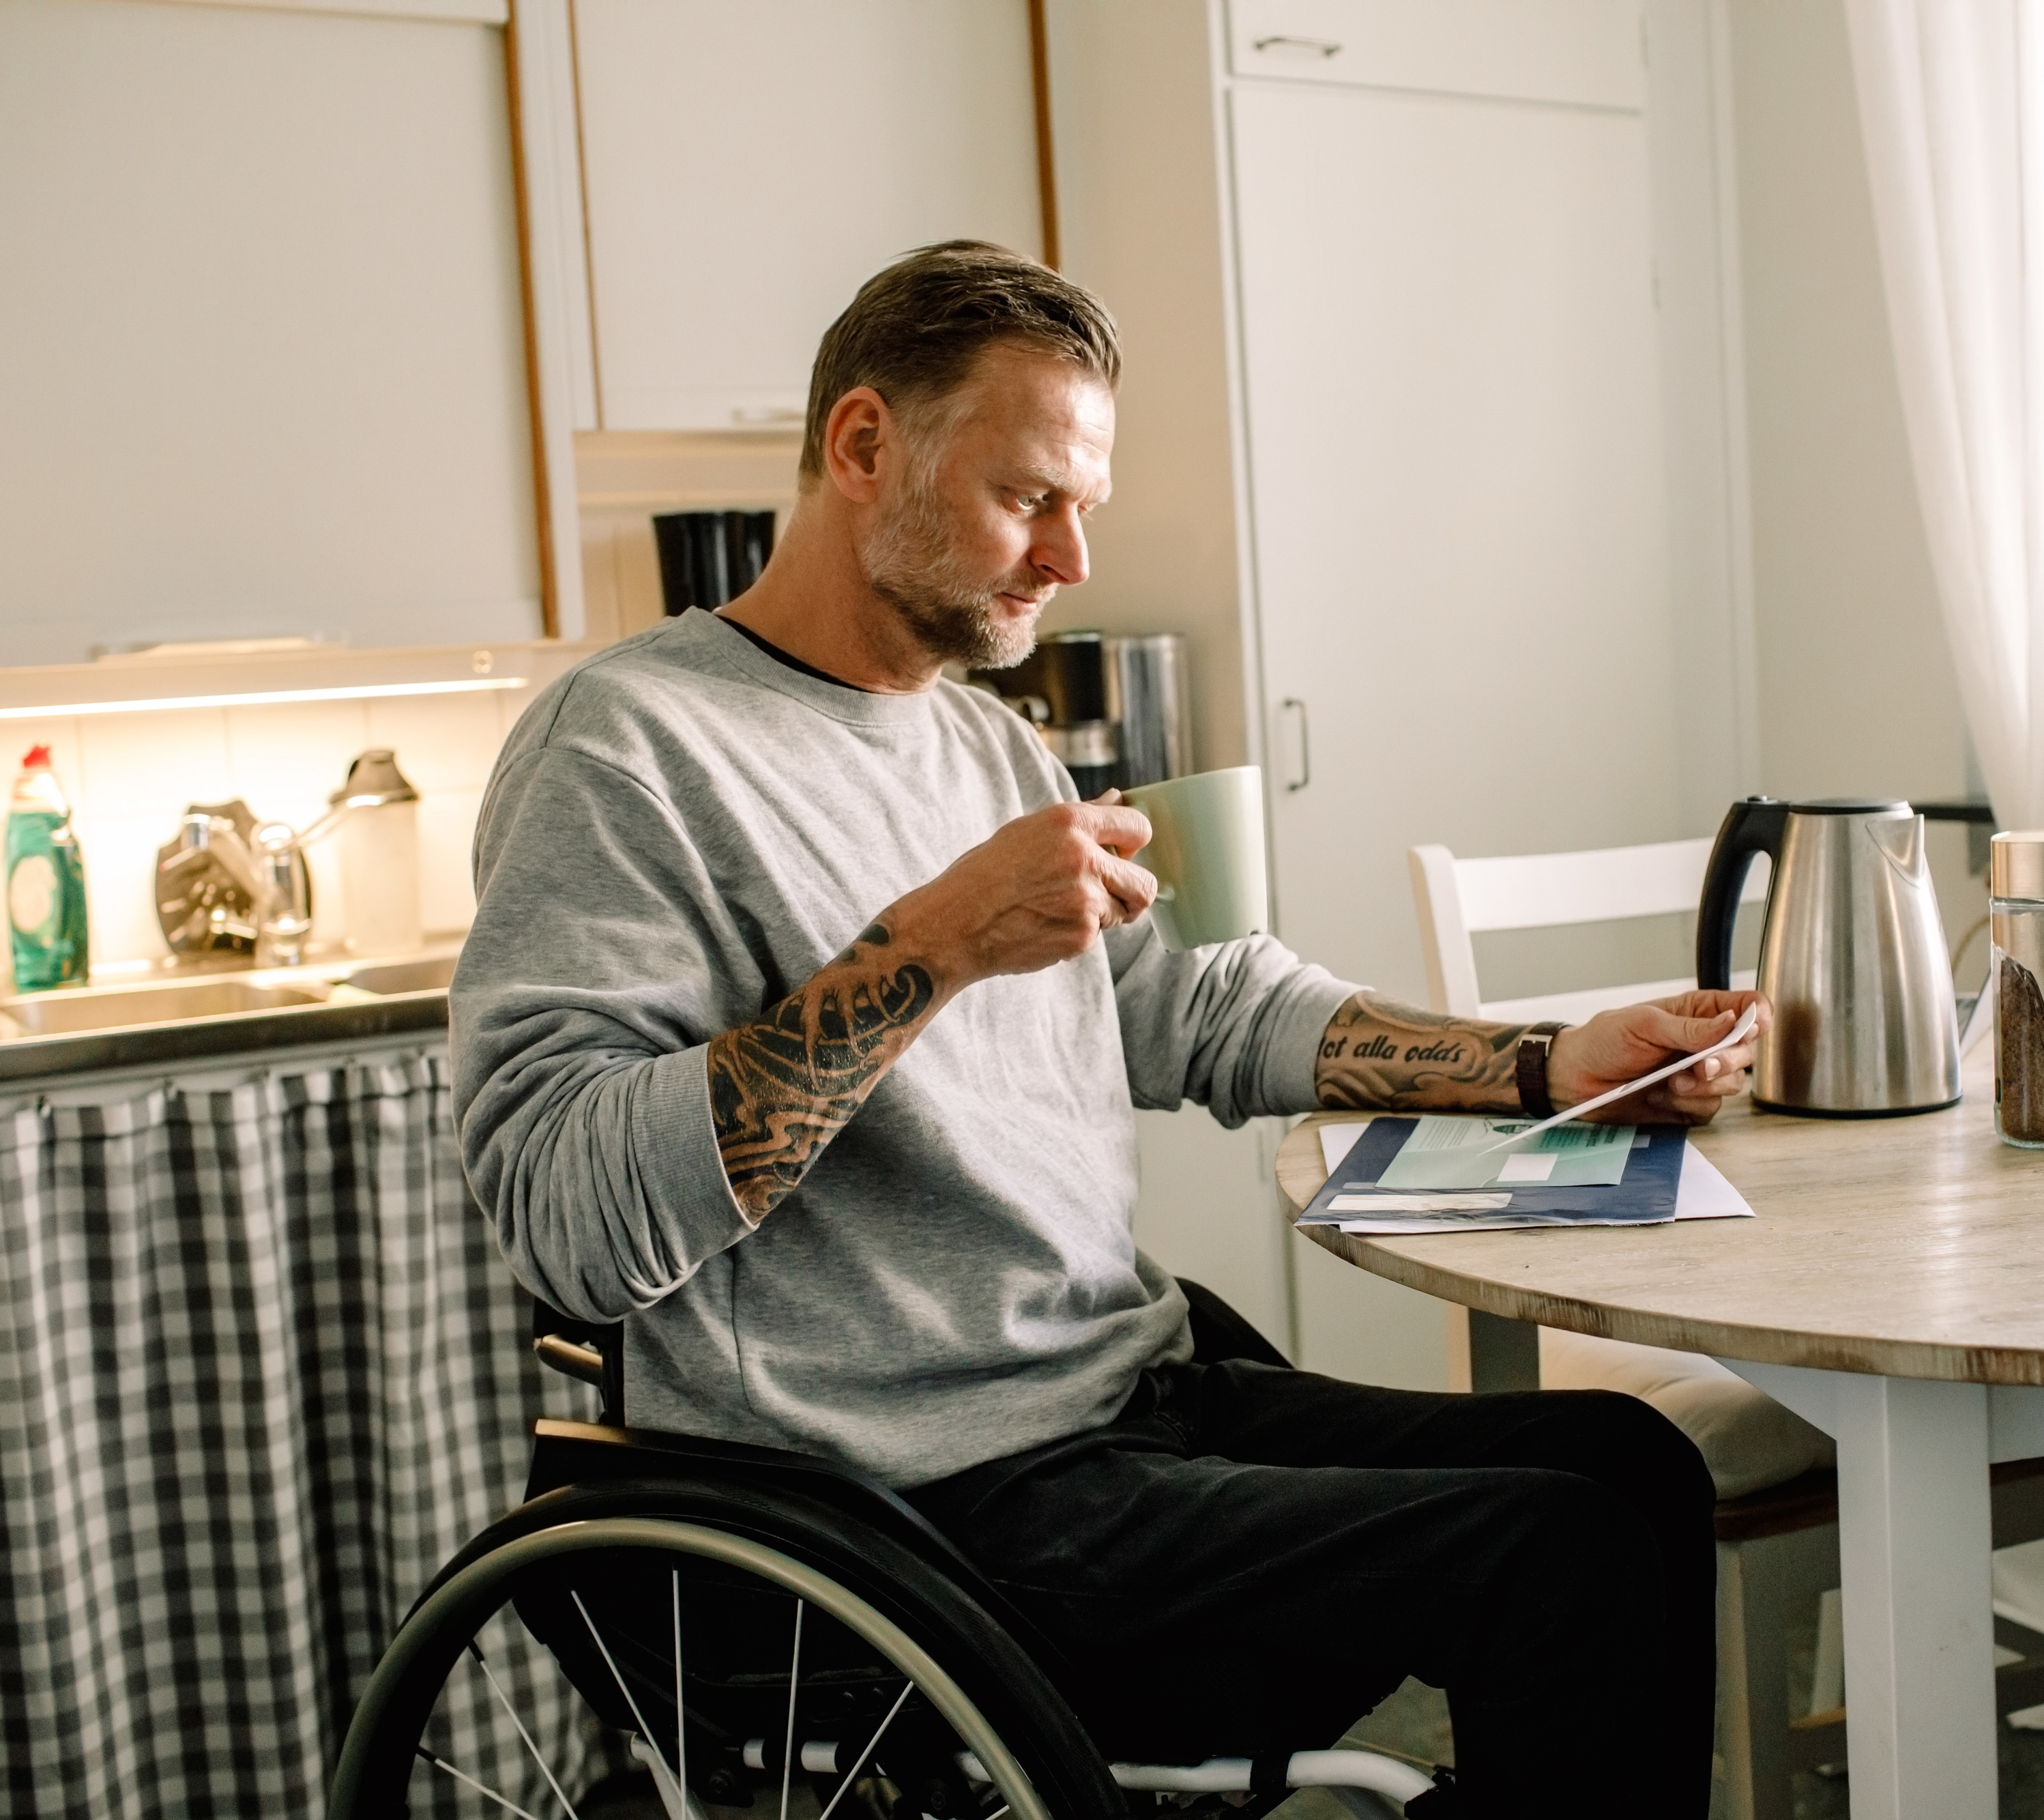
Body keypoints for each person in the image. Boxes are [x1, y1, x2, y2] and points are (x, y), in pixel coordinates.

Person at [454, 240, 1768, 1817]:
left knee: (1628, 1466)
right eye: (1030, 499)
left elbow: (1184, 1004)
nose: (1070, 556)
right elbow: (566, 1209)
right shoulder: (625, 749)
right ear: (865, 446)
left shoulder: (984, 739)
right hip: (907, 1497)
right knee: (1557, 1560)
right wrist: (930, 945)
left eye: (1082, 502)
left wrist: (1546, 1061)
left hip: (1114, 1393)